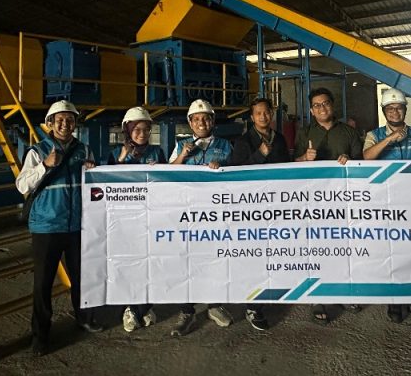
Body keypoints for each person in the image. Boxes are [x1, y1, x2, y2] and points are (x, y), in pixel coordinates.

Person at [16, 100, 99, 357]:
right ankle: (40, 336)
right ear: (50, 124)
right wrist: (45, 165)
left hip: (77, 226)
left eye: (70, 120)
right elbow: (22, 185)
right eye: (60, 120)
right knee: (43, 283)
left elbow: (94, 188)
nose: (65, 124)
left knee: (82, 278)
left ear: (75, 124)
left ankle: (84, 318)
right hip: (47, 227)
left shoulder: (84, 150)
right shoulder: (37, 151)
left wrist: (93, 173)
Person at [362, 88, 411, 325]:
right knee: (390, 254)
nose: (394, 111)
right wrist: (390, 139)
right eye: (390, 108)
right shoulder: (373, 135)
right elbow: (367, 157)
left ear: (405, 110)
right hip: (385, 206)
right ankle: (395, 300)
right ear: (384, 111)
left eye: (399, 107)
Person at [294, 87, 363, 322]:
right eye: (317, 105)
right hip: (312, 200)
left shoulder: (349, 132)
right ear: (311, 110)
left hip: (342, 199)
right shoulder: (304, 133)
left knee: (343, 247)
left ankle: (343, 292)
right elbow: (290, 164)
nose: (322, 108)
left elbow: (361, 164)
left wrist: (349, 160)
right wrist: (304, 158)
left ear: (333, 105)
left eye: (325, 103)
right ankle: (317, 297)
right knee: (316, 247)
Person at [168, 98, 235, 336]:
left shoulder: (225, 145)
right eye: (196, 119)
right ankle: (187, 310)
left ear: (212, 121)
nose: (201, 123)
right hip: (188, 215)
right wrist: (183, 156)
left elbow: (237, 175)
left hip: (216, 215)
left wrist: (222, 167)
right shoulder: (181, 145)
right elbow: (168, 174)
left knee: (216, 260)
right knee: (187, 262)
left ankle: (214, 305)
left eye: (206, 118)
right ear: (190, 123)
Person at [229, 96, 291, 331]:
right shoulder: (243, 141)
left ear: (271, 114)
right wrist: (260, 154)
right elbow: (236, 173)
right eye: (258, 113)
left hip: (277, 206)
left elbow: (287, 168)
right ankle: (253, 306)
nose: (263, 117)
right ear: (252, 117)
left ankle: (269, 295)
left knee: (274, 254)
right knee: (254, 257)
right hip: (252, 209)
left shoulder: (280, 139)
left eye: (266, 112)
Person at [109, 106, 166, 333]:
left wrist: (158, 171)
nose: (142, 134)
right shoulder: (115, 153)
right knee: (130, 264)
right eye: (137, 129)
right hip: (125, 220)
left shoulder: (157, 153)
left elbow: (167, 181)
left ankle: (145, 307)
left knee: (149, 263)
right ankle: (130, 308)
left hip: (150, 218)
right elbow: (106, 181)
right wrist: (121, 160)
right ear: (128, 131)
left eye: (146, 129)